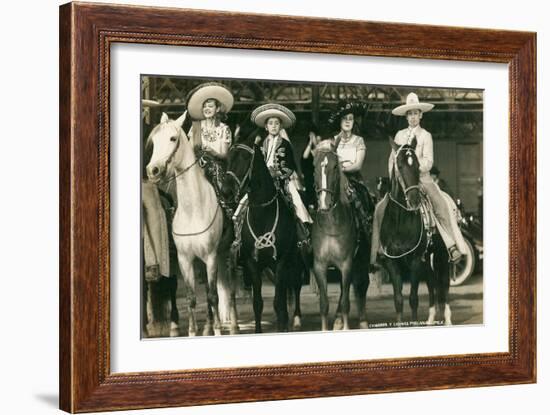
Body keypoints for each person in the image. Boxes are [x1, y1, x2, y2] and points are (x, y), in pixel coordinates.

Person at [370, 92, 467, 267]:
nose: (413, 117)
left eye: (415, 113)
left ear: (420, 115)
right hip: (401, 180)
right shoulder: (399, 135)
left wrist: (413, 169)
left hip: (422, 179)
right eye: (410, 114)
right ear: (406, 116)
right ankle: (378, 251)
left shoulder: (425, 136)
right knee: (380, 208)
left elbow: (429, 161)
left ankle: (451, 245)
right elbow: (392, 159)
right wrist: (396, 177)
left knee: (439, 204)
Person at [250, 103, 313, 248]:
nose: (273, 126)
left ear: (280, 126)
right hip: (262, 184)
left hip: (281, 182)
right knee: (245, 201)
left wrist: (277, 174)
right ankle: (239, 230)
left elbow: (290, 167)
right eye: (270, 123)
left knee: (296, 200)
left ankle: (303, 232)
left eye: (276, 123)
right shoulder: (260, 146)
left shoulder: (285, 144)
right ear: (266, 127)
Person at [186, 82, 235, 217]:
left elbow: (225, 155)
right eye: (204, 106)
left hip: (217, 167)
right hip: (196, 166)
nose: (207, 108)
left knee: (219, 182)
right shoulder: (195, 127)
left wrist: (211, 152)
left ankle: (226, 213)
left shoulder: (224, 129)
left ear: (218, 109)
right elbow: (188, 151)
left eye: (210, 106)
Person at [328, 100, 374, 240]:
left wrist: (342, 168)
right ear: (340, 121)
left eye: (351, 119)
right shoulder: (333, 140)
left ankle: (366, 230)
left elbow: (358, 165)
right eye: (345, 119)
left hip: (353, 179)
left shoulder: (359, 140)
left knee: (363, 198)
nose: (348, 122)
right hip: (336, 179)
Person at [301, 122, 321, 210]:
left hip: (319, 173)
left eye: (316, 137)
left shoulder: (320, 149)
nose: (316, 139)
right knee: (309, 180)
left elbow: (319, 155)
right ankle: (311, 203)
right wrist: (310, 142)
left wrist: (317, 143)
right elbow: (304, 157)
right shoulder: (308, 150)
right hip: (309, 175)